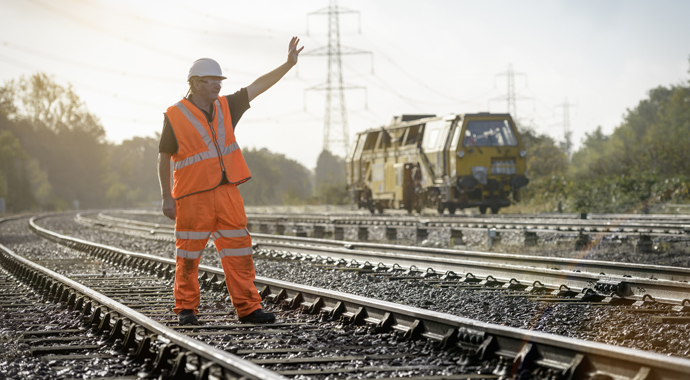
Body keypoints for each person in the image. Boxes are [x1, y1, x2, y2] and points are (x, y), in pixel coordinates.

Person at [158, 37, 304, 326]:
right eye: (212, 81)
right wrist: (166, 196)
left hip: (227, 194)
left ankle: (249, 309)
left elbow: (259, 86)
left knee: (240, 253)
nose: (218, 85)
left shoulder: (227, 106)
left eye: (220, 81)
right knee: (188, 256)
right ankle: (186, 308)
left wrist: (288, 64)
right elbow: (163, 157)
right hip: (192, 196)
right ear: (195, 83)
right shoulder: (175, 115)